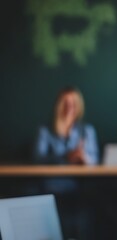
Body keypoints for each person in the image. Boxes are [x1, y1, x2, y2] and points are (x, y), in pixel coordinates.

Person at [33, 86, 98, 239]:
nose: (70, 107)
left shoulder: (86, 131)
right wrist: (65, 157)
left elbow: (95, 160)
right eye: (65, 102)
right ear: (58, 105)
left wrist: (84, 159)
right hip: (48, 186)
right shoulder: (45, 130)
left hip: (78, 187)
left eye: (73, 103)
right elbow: (37, 160)